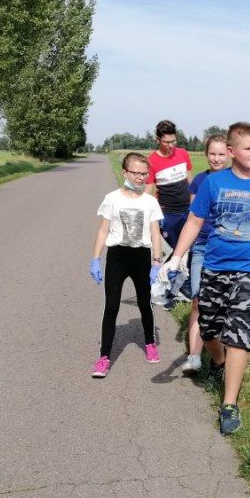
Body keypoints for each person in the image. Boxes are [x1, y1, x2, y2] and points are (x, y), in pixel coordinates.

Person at [160, 122, 250, 434]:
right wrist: (177, 257)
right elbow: (195, 221)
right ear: (232, 151)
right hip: (214, 267)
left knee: (239, 333)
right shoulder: (213, 183)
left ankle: (229, 403)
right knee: (208, 329)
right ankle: (219, 363)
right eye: (248, 148)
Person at [89, 153, 165, 378]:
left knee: (144, 303)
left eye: (144, 174)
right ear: (125, 172)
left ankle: (150, 343)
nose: (140, 177)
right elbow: (103, 230)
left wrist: (157, 261)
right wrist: (95, 259)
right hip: (117, 257)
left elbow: (155, 233)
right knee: (111, 306)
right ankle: (104, 357)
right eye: (135, 173)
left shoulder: (150, 202)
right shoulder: (112, 199)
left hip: (141, 257)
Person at [179, 134, 229, 375]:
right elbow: (193, 218)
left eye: (221, 154)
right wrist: (181, 252)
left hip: (226, 248)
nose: (216, 159)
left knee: (225, 303)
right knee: (198, 300)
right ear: (206, 154)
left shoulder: (235, 180)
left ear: (229, 154)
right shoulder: (199, 180)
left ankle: (222, 355)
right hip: (201, 247)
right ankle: (195, 356)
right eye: (212, 154)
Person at [147, 119, 193, 302]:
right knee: (172, 250)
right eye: (166, 142)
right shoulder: (151, 161)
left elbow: (190, 181)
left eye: (173, 141)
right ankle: (167, 286)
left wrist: (196, 204)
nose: (170, 145)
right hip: (167, 214)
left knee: (188, 248)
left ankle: (185, 285)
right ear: (158, 140)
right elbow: (149, 190)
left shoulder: (183, 153)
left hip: (187, 211)